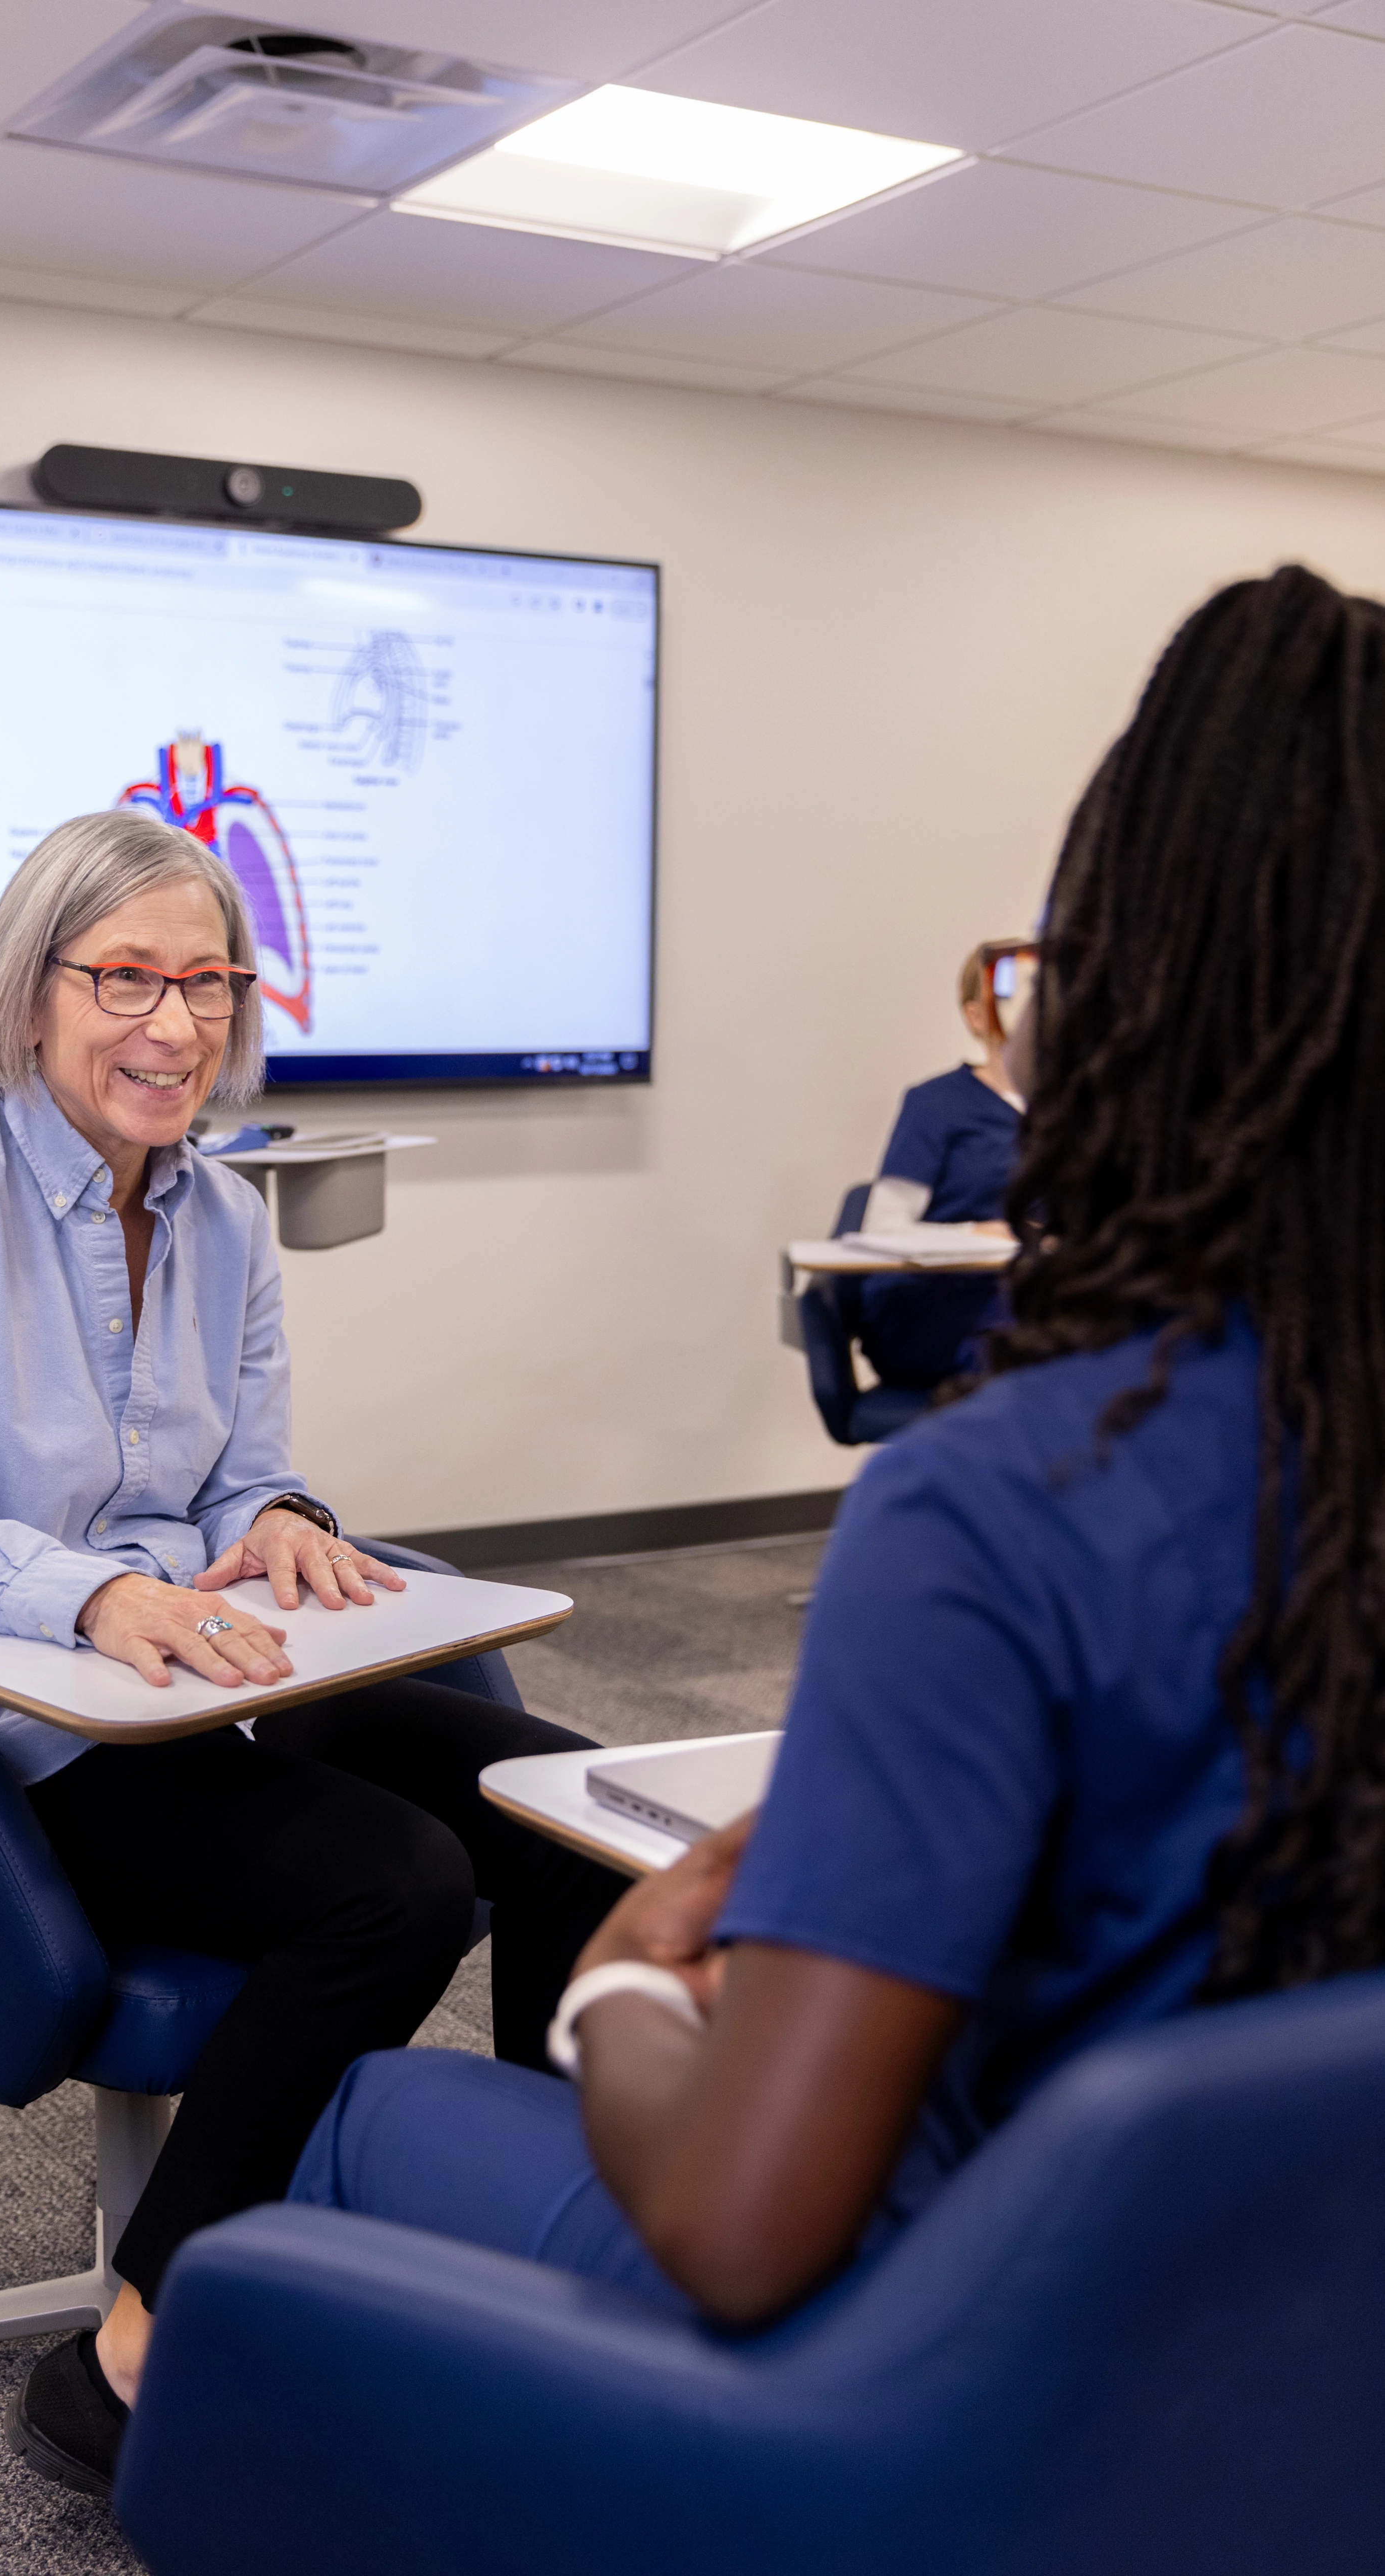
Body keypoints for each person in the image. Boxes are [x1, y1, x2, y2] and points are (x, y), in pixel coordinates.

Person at [285, 561, 1385, 2330]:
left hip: (995, 2382)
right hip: (1300, 2362)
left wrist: (626, 1991)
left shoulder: (1002, 1508)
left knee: (376, 2115)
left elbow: (744, 2232)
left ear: (1115, 982)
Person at [0, 809, 626, 2489]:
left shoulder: (222, 1215)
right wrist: (93, 1596)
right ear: (31, 991)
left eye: (210, 984)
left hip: (203, 1687)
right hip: (7, 1729)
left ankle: (554, 2279)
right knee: (384, 1881)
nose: (174, 1028)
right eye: (126, 979)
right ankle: (130, 2348)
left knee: (568, 1804)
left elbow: (240, 1466)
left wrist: (288, 1517)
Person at [856, 943, 1026, 1390]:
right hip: (934, 1304)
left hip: (1027, 1295)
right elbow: (883, 1230)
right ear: (976, 1016)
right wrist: (973, 1234)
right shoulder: (936, 1105)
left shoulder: (1078, 1113)